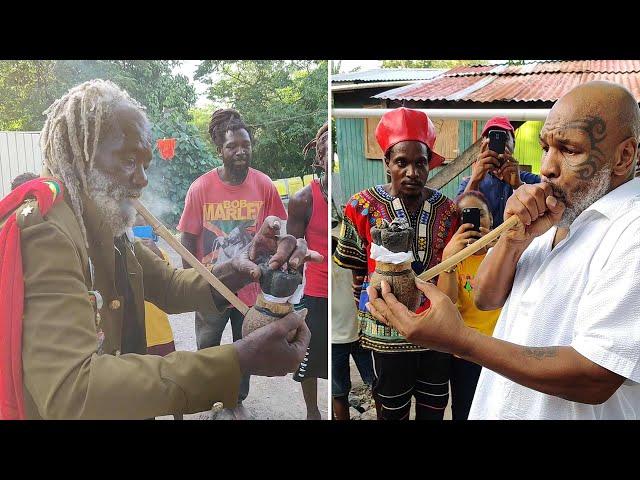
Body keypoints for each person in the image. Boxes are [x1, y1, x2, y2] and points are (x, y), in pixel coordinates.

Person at [0, 79, 316, 420]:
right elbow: (73, 390)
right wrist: (237, 359)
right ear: (80, 156)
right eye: (127, 161)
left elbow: (168, 285)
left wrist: (241, 267)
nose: (142, 179)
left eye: (145, 164)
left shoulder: (101, 219)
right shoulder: (48, 231)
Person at [366, 81, 640, 420]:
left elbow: (596, 375)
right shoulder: (559, 210)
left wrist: (460, 340)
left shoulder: (632, 230)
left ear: (624, 156)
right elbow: (485, 297)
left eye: (569, 150)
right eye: (545, 147)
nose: (547, 168)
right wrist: (513, 241)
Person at [334, 107, 460, 420]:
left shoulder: (448, 210)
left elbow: (455, 272)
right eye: (402, 162)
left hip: (436, 333)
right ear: (387, 163)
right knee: (392, 412)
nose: (412, 172)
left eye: (421, 163)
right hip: (385, 336)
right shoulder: (360, 206)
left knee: (433, 409)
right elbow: (357, 273)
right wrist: (367, 322)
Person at [178, 108, 287, 420]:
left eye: (246, 144)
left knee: (246, 348)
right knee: (209, 348)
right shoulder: (201, 188)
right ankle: (212, 400)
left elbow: (279, 232)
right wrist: (192, 284)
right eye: (232, 146)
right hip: (211, 288)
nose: (241, 151)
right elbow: (188, 238)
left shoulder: (264, 185)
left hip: (251, 290)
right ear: (219, 150)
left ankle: (236, 400)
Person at [436, 191, 501, 419]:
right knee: (465, 411)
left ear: (491, 219)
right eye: (465, 216)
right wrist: (449, 260)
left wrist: (499, 248)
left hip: (500, 351)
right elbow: (447, 302)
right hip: (465, 355)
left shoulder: (503, 253)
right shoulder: (455, 259)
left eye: (479, 214)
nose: (474, 220)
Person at [287, 122, 329, 420]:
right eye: (324, 149)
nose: (329, 154)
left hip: (348, 290)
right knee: (309, 358)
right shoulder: (303, 199)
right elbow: (292, 249)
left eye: (332, 147)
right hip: (315, 293)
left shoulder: (348, 192)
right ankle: (313, 412)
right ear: (319, 157)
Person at [457, 117, 540, 226]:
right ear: (483, 144)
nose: (498, 143)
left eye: (504, 138)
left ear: (513, 144)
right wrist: (474, 181)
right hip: (483, 242)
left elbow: (541, 216)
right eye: (491, 137)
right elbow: (457, 220)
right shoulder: (469, 183)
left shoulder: (531, 181)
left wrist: (518, 186)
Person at [331, 220, 375, 420]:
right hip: (335, 340)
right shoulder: (317, 265)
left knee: (378, 385)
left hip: (362, 334)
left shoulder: (353, 257)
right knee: (338, 393)